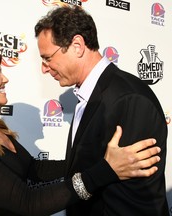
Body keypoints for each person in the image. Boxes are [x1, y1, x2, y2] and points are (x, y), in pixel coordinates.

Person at [0, 44, 160, 216]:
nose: (5, 78)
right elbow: (27, 202)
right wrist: (105, 171)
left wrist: (101, 160)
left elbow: (35, 169)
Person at [34, 6, 169, 216]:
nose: (44, 68)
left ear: (77, 46)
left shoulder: (129, 99)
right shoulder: (88, 95)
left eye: (47, 58)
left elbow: (134, 201)